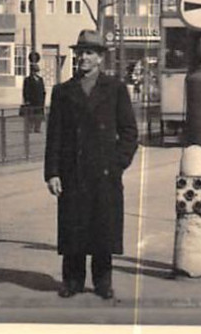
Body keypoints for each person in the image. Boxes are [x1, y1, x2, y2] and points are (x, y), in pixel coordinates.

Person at [44, 30, 139, 301]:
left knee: (102, 229)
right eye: (80, 52)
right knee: (73, 227)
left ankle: (102, 282)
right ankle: (72, 281)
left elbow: (130, 132)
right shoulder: (62, 91)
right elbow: (55, 136)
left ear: (100, 58)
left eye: (89, 53)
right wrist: (52, 173)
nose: (82, 57)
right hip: (71, 172)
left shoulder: (115, 89)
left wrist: (117, 163)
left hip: (103, 173)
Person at [22, 58, 47, 135]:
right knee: (31, 115)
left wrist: (43, 98)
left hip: (39, 101)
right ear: (32, 71)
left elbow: (43, 90)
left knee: (39, 115)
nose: (36, 72)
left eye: (37, 71)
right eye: (34, 71)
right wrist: (26, 99)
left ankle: (37, 128)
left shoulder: (40, 79)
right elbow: (25, 90)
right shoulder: (28, 80)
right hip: (31, 100)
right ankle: (30, 128)